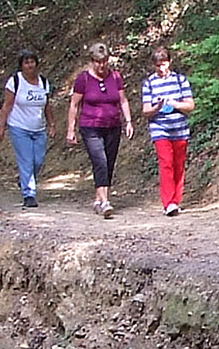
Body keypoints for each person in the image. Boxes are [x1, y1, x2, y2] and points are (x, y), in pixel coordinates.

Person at [67, 42, 133, 218]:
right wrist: (70, 130)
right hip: (91, 126)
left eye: (104, 61)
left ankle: (98, 199)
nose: (101, 65)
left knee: (109, 162)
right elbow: (74, 104)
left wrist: (128, 121)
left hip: (113, 125)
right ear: (92, 61)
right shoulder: (84, 79)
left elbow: (123, 100)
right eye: (97, 61)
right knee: (100, 161)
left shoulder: (116, 77)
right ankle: (105, 202)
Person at [140, 47, 196, 216]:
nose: (161, 69)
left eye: (163, 64)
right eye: (158, 65)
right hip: (160, 129)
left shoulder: (181, 80)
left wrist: (173, 103)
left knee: (179, 165)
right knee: (166, 163)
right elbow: (145, 111)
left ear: (169, 62)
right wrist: (157, 107)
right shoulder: (149, 83)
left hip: (180, 129)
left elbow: (190, 105)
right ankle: (168, 203)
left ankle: (176, 200)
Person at [0, 49, 54, 208]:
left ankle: (24, 179)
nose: (29, 65)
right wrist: (1, 126)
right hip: (19, 127)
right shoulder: (15, 81)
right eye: (26, 62)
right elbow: (7, 105)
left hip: (39, 128)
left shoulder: (43, 82)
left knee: (38, 160)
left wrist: (52, 124)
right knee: (27, 160)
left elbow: (47, 105)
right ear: (21, 65)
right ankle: (29, 194)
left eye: (32, 62)